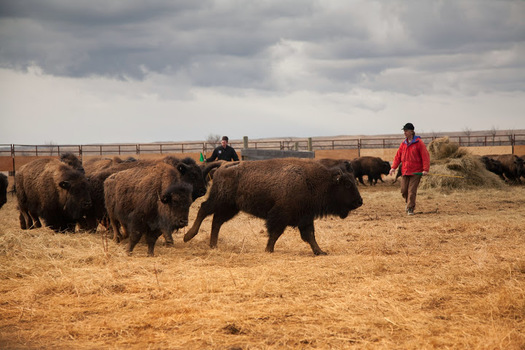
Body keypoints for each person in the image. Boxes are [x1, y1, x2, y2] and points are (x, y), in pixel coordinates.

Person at [389, 123, 430, 216]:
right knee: (404, 190)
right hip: (405, 171)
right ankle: (408, 203)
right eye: (404, 131)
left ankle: (410, 208)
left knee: (411, 191)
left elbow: (425, 156)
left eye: (406, 131)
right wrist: (393, 168)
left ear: (411, 131)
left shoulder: (419, 143)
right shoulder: (403, 144)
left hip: (416, 172)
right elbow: (398, 157)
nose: (405, 132)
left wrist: (425, 169)